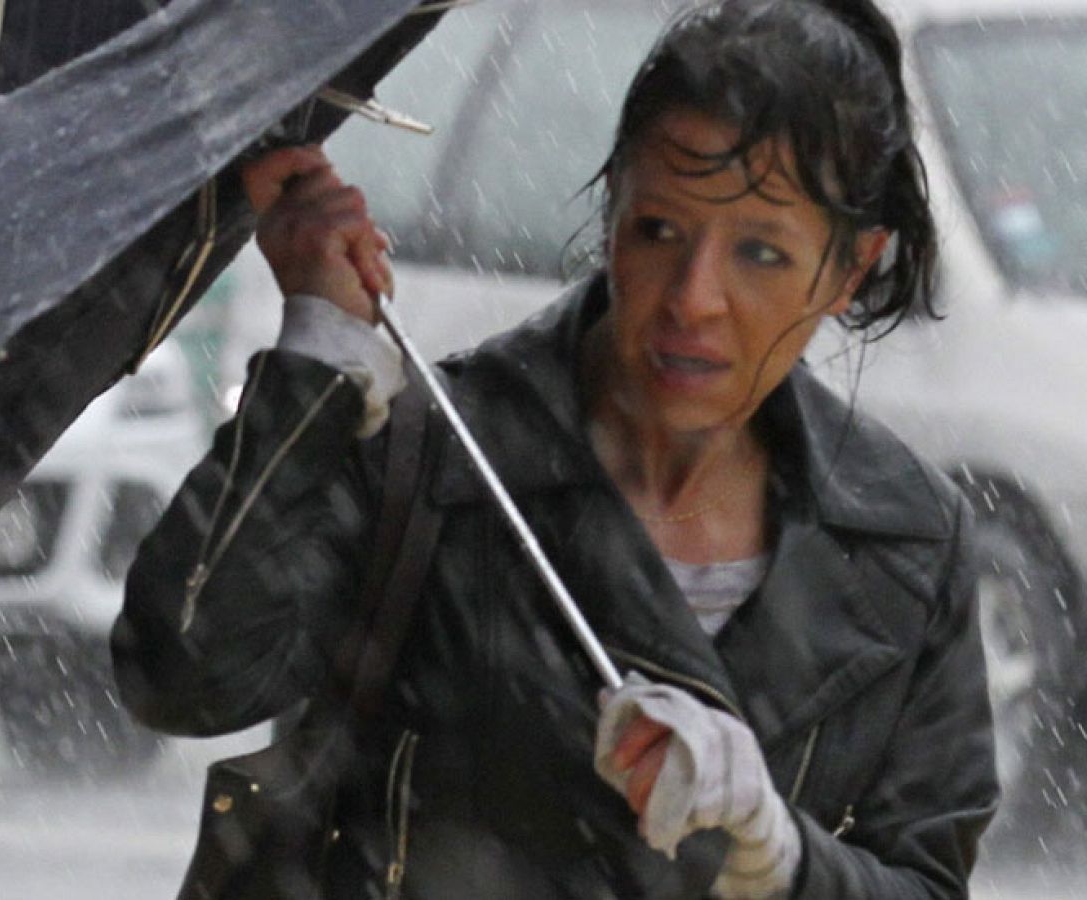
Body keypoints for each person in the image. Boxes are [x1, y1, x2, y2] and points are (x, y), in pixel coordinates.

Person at [112, 0, 999, 896]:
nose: (693, 299)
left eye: (761, 254)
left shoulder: (910, 548)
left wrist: (782, 858)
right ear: (611, 207)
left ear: (851, 269)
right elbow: (180, 675)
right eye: (658, 230)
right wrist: (317, 358)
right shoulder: (431, 458)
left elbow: (922, 877)